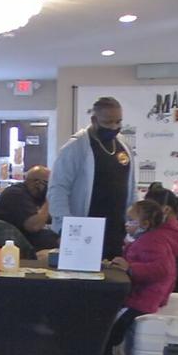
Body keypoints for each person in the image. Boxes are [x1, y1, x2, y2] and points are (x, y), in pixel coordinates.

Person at [98, 200, 178, 355]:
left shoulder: (152, 241)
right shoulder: (148, 240)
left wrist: (130, 268)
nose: (127, 223)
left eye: (131, 220)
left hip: (141, 300)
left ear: (145, 224)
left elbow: (161, 270)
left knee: (106, 336)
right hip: (142, 297)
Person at [49, 97, 136, 259]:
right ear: (94, 120)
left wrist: (134, 221)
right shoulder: (75, 147)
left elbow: (130, 187)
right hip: (84, 230)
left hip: (116, 229)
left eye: (118, 122)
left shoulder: (123, 145)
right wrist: (64, 228)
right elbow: (58, 189)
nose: (114, 127)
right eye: (108, 122)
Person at [0, 166, 60, 251]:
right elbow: (34, 226)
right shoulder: (15, 194)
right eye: (50, 185)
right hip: (9, 241)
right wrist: (49, 198)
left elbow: (50, 218)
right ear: (37, 183)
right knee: (56, 241)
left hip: (21, 237)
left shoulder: (36, 196)